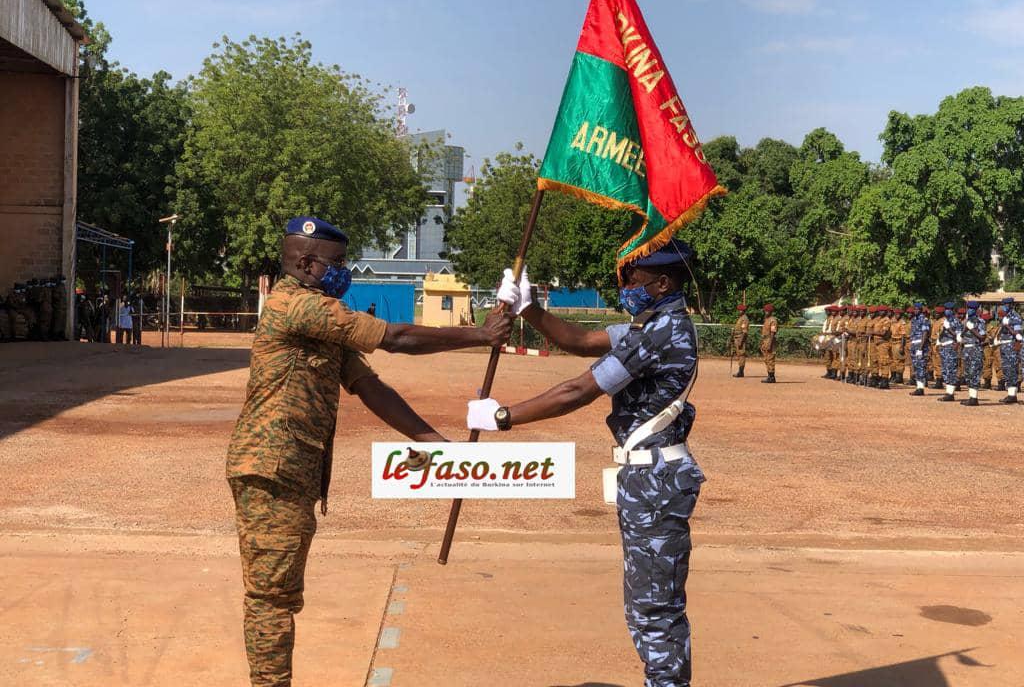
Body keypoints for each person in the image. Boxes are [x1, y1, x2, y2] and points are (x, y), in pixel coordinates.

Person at [227, 216, 512, 687]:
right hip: (270, 470)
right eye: (336, 263)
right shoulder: (294, 306)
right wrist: (479, 336)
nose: (345, 272)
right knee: (271, 598)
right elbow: (394, 339)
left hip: (290, 471)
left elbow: (368, 386)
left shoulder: (318, 320)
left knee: (281, 594)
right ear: (304, 262)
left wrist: (432, 444)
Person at [469, 239, 704, 687]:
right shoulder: (651, 325)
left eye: (633, 279)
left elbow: (576, 392)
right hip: (647, 479)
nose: (626, 285)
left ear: (663, 282)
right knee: (645, 604)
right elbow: (579, 341)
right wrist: (529, 308)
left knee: (655, 609)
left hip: (656, 480)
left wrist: (503, 417)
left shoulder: (660, 334)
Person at [995, 296, 1023, 404]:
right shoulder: (1005, 317)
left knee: (1012, 370)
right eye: (1003, 305)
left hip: (1011, 346)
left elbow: (1018, 335)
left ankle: (1013, 395)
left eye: (1007, 304)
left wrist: (1007, 326)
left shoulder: (1015, 317)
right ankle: (1010, 394)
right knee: (1006, 370)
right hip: (1004, 346)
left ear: (1011, 305)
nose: (1004, 306)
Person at [958, 301, 985, 406]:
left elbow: (982, 337)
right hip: (966, 350)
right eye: (968, 308)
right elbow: (962, 335)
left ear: (976, 309)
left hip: (975, 349)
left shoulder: (980, 321)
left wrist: (972, 329)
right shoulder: (966, 321)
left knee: (974, 373)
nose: (969, 310)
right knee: (968, 374)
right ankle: (971, 397)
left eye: (971, 308)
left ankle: (974, 399)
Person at [936, 302, 963, 402]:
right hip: (944, 347)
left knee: (951, 370)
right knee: (945, 370)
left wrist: (948, 328)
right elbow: (942, 334)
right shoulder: (945, 321)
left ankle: (950, 394)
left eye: (949, 309)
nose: (947, 311)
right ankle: (948, 392)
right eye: (946, 309)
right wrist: (939, 342)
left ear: (953, 310)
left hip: (951, 347)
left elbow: (959, 337)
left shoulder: (956, 322)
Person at [907, 303, 931, 396]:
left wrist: (920, 348)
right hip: (914, 344)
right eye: (915, 309)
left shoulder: (924, 319)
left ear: (921, 310)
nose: (915, 311)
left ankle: (920, 388)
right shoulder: (914, 319)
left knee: (920, 366)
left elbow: (925, 333)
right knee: (916, 366)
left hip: (920, 345)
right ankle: (918, 386)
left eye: (917, 309)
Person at [760, 304, 778, 384]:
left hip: (770, 340)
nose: (766, 312)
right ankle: (769, 376)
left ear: (771, 312)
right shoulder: (766, 319)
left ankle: (772, 377)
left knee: (770, 359)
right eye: (765, 311)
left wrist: (770, 343)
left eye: (767, 311)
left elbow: (772, 332)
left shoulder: (772, 320)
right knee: (766, 359)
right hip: (765, 340)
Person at [731, 303, 749, 377]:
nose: (739, 311)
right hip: (737, 338)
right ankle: (740, 371)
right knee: (739, 355)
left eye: (740, 310)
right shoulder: (740, 318)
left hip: (740, 338)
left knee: (741, 355)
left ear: (743, 311)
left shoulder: (744, 319)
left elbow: (744, 332)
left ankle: (741, 372)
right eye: (739, 310)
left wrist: (741, 341)